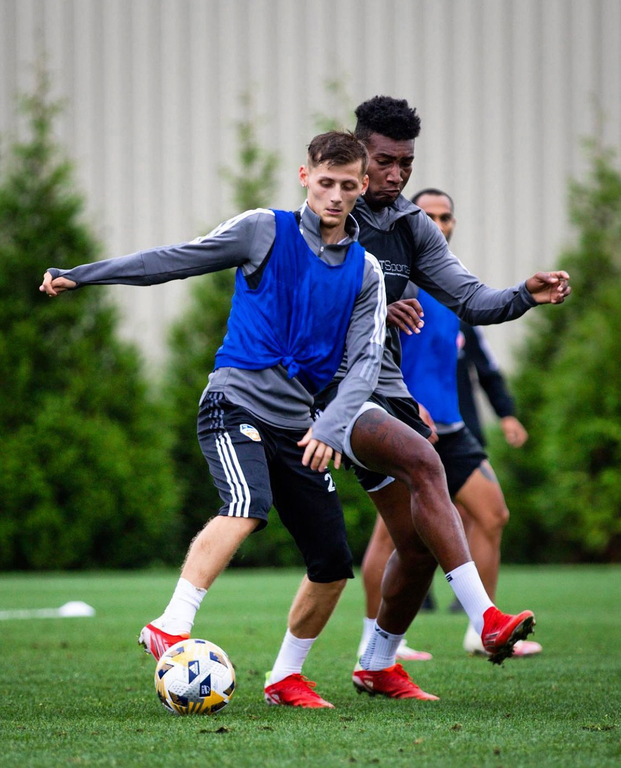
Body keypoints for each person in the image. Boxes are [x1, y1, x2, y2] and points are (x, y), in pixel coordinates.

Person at [40, 131, 389, 709]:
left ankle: (285, 678)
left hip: (301, 427)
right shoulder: (263, 229)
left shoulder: (366, 271)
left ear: (363, 186)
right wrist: (87, 273)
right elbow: (175, 259)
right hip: (234, 403)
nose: (334, 195)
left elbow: (366, 362)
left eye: (347, 186)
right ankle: (171, 624)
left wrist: (331, 425)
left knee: (332, 563)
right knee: (247, 504)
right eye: (325, 182)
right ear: (305, 176)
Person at [330, 96, 568, 676]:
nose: (397, 175)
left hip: (385, 400)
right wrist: (375, 311)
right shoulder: (323, 217)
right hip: (317, 396)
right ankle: (483, 620)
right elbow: (293, 307)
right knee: (413, 484)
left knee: (416, 543)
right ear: (358, 155)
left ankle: (375, 662)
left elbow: (472, 299)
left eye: (406, 163)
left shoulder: (411, 228)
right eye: (385, 161)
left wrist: (523, 294)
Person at [395, 187, 541, 656]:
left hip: (452, 429)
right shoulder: (394, 280)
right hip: (405, 427)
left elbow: (483, 360)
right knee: (399, 538)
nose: (439, 224)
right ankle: (377, 648)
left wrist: (506, 413)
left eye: (446, 217)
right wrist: (400, 404)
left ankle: (483, 632)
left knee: (492, 513)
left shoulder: (455, 286)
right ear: (411, 221)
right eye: (429, 216)